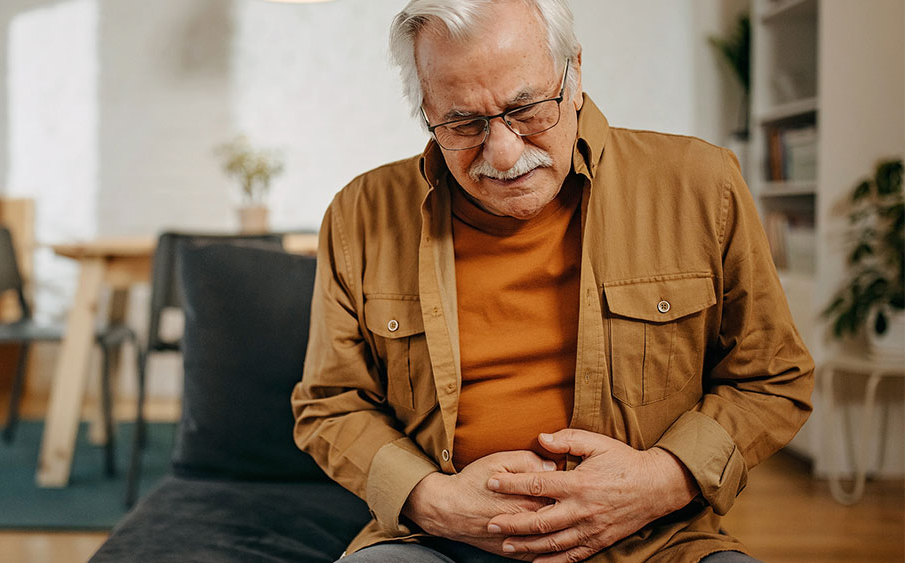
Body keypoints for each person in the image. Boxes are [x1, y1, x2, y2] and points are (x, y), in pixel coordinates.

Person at [291, 1, 814, 562]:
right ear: (426, 109)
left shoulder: (702, 186)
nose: (504, 151)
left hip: (657, 541)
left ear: (575, 73)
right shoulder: (359, 215)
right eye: (463, 123)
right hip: (434, 542)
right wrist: (433, 500)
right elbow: (331, 403)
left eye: (528, 109)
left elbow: (771, 378)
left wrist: (659, 481)